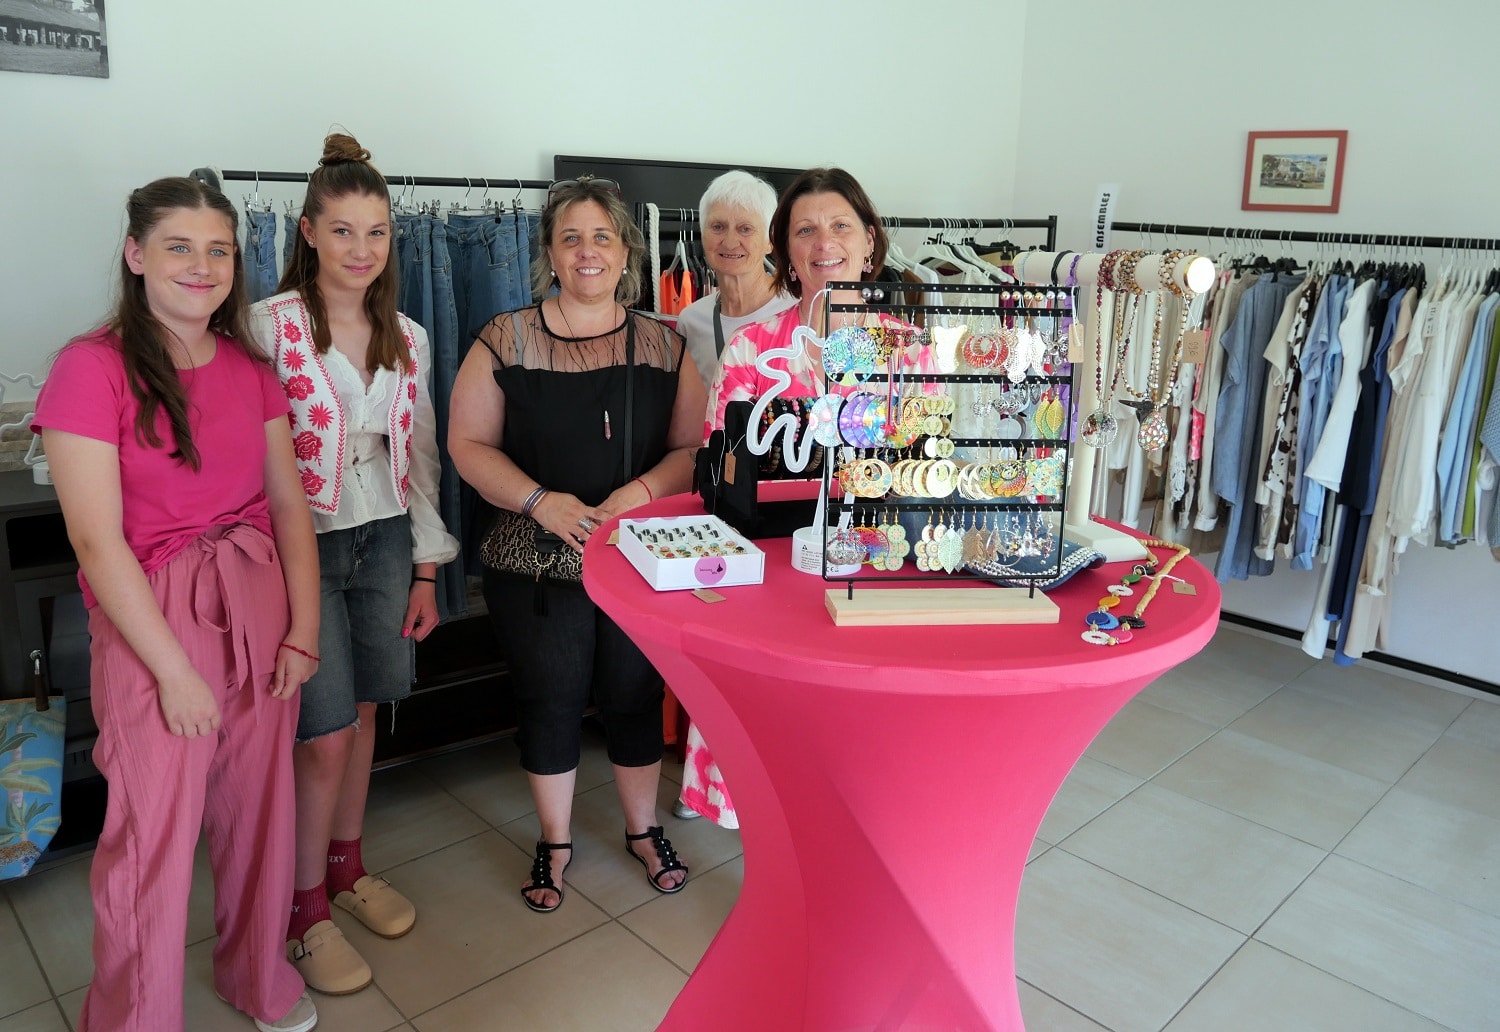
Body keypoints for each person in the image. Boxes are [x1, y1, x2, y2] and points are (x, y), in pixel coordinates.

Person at [33, 177, 319, 1032]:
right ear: (136, 255)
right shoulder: (89, 368)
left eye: (218, 249)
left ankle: (256, 977)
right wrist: (173, 672)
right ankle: (134, 1019)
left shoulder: (250, 368)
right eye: (179, 247)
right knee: (151, 837)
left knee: (261, 815)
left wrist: (303, 629)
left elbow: (288, 504)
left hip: (257, 597)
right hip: (152, 616)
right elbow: (96, 541)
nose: (202, 265)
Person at [448, 176, 706, 912]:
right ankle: (555, 841)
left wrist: (641, 493)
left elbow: (692, 447)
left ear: (625, 252)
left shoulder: (665, 342)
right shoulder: (505, 338)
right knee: (550, 699)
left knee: (634, 695)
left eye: (601, 237)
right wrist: (541, 501)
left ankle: (643, 829)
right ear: (550, 254)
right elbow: (467, 444)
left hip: (637, 558)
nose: (587, 251)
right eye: (571, 238)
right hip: (536, 562)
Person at [248, 133, 458, 995]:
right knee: (322, 732)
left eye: (376, 232)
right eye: (342, 230)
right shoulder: (267, 326)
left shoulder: (407, 334)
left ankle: (346, 867)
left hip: (386, 539)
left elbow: (421, 453)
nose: (361, 249)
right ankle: (303, 910)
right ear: (308, 232)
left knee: (367, 710)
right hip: (302, 547)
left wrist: (427, 567)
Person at [687, 166, 914, 831]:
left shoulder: (907, 350)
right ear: (785, 250)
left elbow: (925, 467)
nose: (824, 242)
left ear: (869, 242)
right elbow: (720, 475)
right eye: (805, 230)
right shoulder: (752, 349)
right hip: (772, 582)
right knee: (773, 772)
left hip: (873, 575)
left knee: (861, 776)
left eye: (841, 226)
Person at [674, 170, 795, 390]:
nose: (730, 242)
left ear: (770, 240)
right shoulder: (691, 322)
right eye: (718, 227)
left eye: (745, 229)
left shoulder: (798, 311)